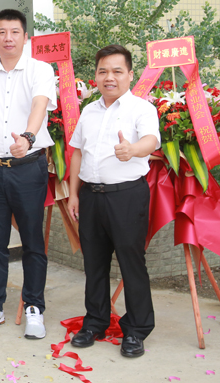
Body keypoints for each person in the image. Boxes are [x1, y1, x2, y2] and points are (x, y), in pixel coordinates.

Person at [0, 9, 56, 339]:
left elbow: (39, 105)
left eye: (15, 32)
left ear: (25, 37)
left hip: (28, 168)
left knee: (33, 241)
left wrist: (28, 138)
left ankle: (34, 306)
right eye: (2, 32)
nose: (8, 38)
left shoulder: (39, 70)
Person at [67, 44, 159, 358]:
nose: (110, 77)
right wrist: (73, 194)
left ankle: (136, 330)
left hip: (127, 196)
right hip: (91, 197)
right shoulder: (89, 110)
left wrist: (132, 150)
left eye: (117, 71)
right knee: (94, 264)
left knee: (132, 264)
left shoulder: (141, 109)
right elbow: (77, 152)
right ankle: (95, 322)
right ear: (95, 76)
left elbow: (151, 140)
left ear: (130, 75)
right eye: (103, 71)